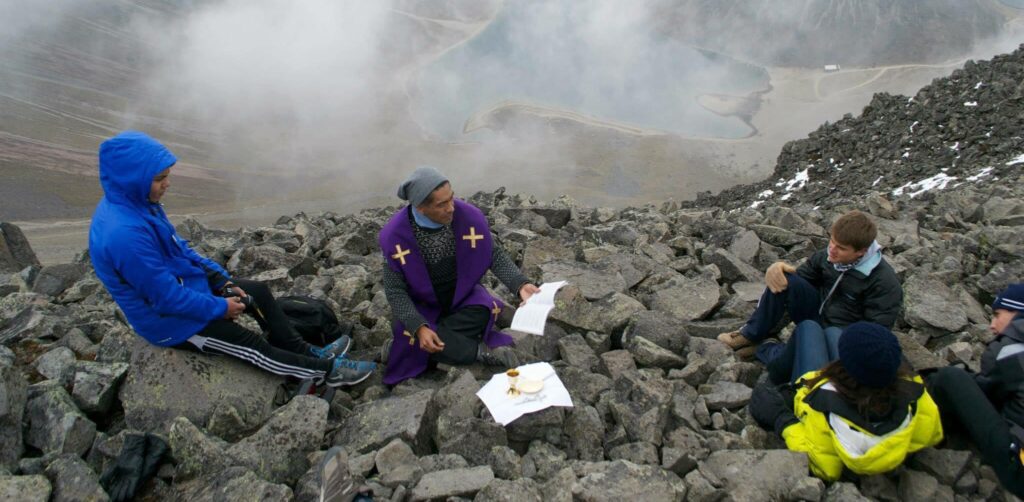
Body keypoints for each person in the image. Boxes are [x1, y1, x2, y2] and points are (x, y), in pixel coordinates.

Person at [89, 131, 375, 387]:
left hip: (186, 289)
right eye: (159, 179)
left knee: (257, 292)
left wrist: (221, 281)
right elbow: (165, 299)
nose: (168, 184)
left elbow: (181, 251)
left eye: (167, 175)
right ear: (132, 179)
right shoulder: (124, 235)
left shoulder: (141, 204)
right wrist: (220, 308)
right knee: (250, 345)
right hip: (171, 323)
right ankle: (326, 372)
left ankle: (305, 351)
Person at [378, 166, 539, 385]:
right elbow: (395, 291)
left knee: (484, 311)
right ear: (420, 208)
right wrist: (418, 326)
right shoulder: (394, 236)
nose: (451, 208)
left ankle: (407, 348)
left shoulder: (467, 216)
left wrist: (519, 284)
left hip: (460, 296)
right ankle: (479, 352)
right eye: (441, 204)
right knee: (413, 330)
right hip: (421, 305)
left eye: (451, 198)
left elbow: (492, 253)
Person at [749, 322, 944, 481]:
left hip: (823, 392)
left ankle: (771, 362)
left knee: (808, 327)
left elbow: (825, 467)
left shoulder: (825, 408)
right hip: (865, 390)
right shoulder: (914, 391)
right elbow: (932, 431)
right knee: (832, 331)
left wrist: (783, 420)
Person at [718, 210, 903, 361]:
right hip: (816, 316)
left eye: (841, 248)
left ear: (861, 252)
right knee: (784, 278)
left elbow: (875, 333)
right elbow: (798, 281)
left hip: (840, 336)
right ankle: (750, 334)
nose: (832, 250)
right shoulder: (827, 257)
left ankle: (766, 348)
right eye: (832, 241)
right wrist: (776, 269)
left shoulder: (884, 283)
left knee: (801, 362)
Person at [926, 284, 1024, 497]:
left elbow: (987, 392)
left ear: (1018, 312)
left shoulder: (1010, 348)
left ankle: (924, 427)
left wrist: (961, 373)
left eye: (997, 315)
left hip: (1019, 468)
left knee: (950, 378)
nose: (992, 325)